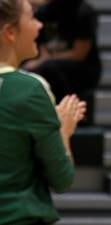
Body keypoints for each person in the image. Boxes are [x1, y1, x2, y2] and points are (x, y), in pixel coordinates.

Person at [0, 0, 86, 224]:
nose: (39, 25)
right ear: (10, 32)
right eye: (32, 17)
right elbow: (62, 178)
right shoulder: (31, 89)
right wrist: (64, 131)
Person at [22, 0, 101, 103]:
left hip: (83, 69)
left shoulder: (83, 11)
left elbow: (79, 54)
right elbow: (42, 50)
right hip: (49, 64)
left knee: (50, 68)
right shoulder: (44, 12)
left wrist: (44, 61)